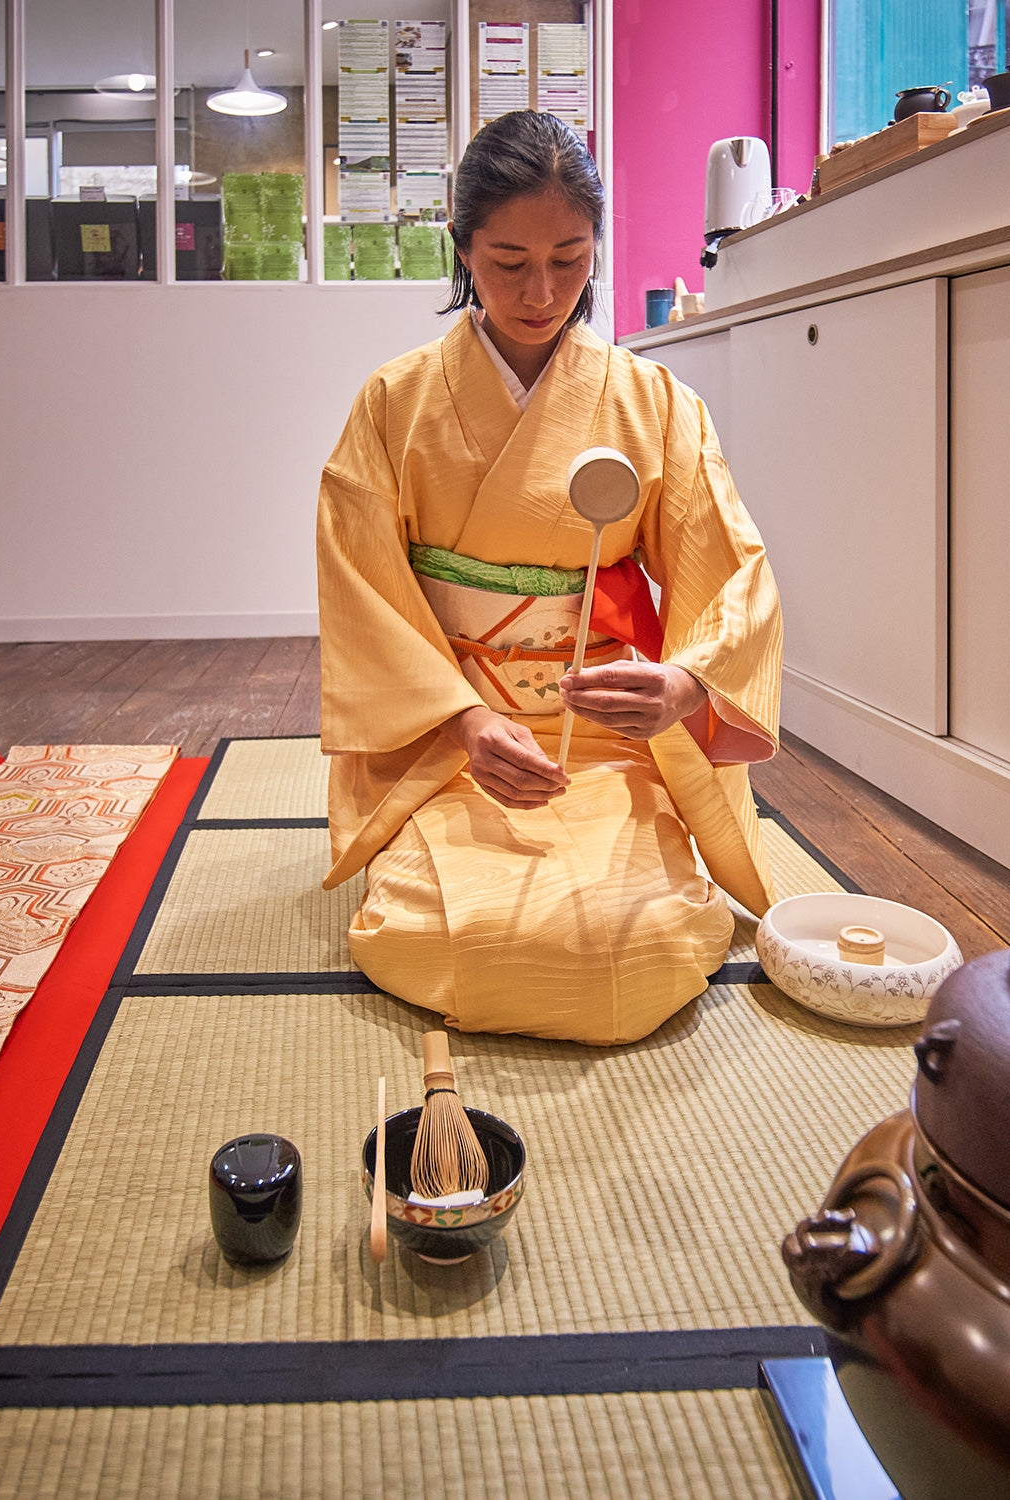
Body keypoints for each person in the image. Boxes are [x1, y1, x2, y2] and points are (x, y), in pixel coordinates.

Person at [317, 110, 782, 1046]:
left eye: (570, 260)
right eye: (508, 261)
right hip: (451, 745)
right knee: (443, 928)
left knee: (640, 940)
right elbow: (361, 587)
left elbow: (731, 570)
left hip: (603, 741)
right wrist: (463, 720)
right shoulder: (392, 404)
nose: (541, 292)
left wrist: (682, 684)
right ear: (462, 251)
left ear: (598, 249)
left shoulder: (654, 402)